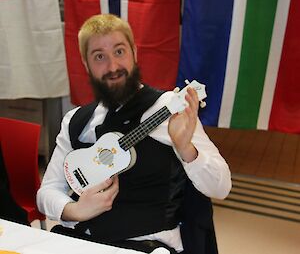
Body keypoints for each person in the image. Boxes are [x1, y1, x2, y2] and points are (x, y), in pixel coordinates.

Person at [37, 14, 231, 254]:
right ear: (86, 65)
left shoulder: (170, 108)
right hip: (84, 242)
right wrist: (74, 210)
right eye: (99, 57)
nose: (112, 67)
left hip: (148, 247)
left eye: (119, 52)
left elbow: (221, 187)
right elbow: (46, 192)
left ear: (134, 53)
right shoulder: (76, 120)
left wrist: (186, 149)